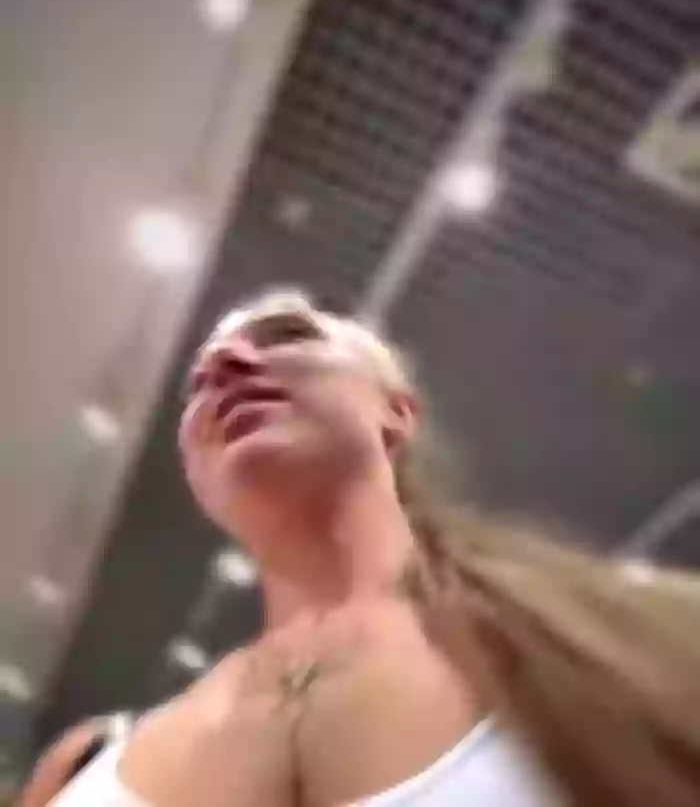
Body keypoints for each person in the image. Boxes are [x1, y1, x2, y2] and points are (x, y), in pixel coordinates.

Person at [21, 288, 700, 807]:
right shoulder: (86, 762)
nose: (226, 362)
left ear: (395, 413)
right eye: (197, 386)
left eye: (287, 335)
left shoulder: (640, 645)